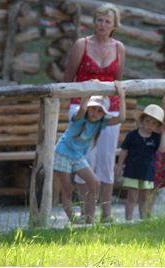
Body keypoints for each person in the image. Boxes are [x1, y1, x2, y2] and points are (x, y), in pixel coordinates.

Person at [61, 3, 125, 222]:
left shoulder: (119, 48)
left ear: (114, 25)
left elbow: (118, 79)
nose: (102, 24)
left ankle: (106, 213)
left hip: (110, 108)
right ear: (93, 22)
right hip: (82, 106)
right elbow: (68, 77)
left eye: (107, 21)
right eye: (99, 20)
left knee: (107, 159)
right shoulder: (82, 44)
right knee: (84, 157)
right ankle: (85, 212)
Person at [53, 81, 126, 224]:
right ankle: (74, 220)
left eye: (100, 111)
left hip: (77, 156)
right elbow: (82, 108)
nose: (95, 113)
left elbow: (121, 118)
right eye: (93, 109)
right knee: (67, 188)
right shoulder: (80, 117)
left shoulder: (100, 122)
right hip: (63, 153)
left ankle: (89, 219)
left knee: (95, 183)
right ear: (88, 107)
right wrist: (88, 92)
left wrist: (121, 96)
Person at [116, 104, 165, 221]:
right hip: (132, 170)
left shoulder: (156, 137)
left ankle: (143, 219)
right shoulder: (132, 135)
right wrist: (120, 165)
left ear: (158, 126)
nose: (150, 125)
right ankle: (128, 220)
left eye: (154, 123)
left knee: (144, 197)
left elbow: (162, 149)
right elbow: (124, 150)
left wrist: (163, 134)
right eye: (148, 121)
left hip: (147, 171)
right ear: (142, 120)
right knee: (131, 197)